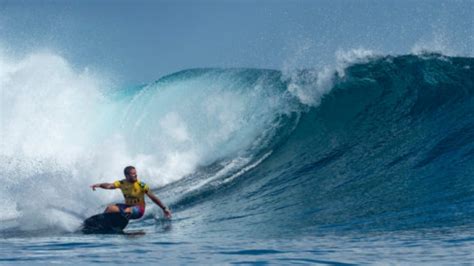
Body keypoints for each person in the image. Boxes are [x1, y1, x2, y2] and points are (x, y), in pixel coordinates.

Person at [91, 166, 172, 219]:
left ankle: (118, 220)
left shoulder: (141, 185)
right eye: (133, 174)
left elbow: (153, 197)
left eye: (135, 173)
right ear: (127, 176)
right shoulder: (122, 183)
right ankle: (102, 222)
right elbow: (109, 186)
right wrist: (98, 185)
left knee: (127, 211)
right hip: (127, 206)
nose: (135, 175)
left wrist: (164, 208)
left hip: (139, 209)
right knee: (110, 208)